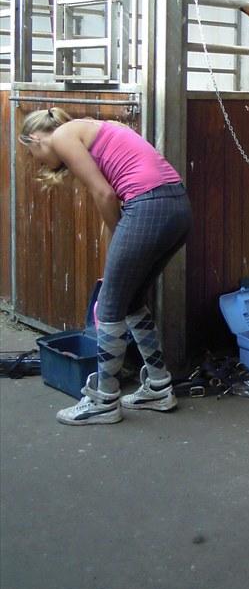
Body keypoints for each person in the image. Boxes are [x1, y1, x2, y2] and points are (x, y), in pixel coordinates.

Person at [18, 107, 192, 426]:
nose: (37, 161)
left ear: (35, 138)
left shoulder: (62, 136)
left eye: (32, 154)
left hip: (149, 206)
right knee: (132, 302)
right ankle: (159, 386)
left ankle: (104, 399)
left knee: (109, 307)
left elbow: (105, 193)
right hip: (177, 206)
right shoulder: (93, 128)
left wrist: (119, 239)